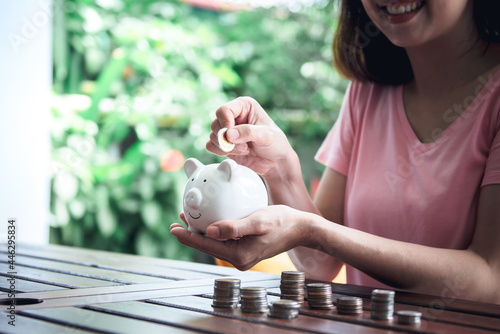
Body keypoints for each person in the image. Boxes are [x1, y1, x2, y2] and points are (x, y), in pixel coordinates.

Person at [171, 0, 500, 304]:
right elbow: (321, 264)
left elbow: (488, 280)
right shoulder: (367, 93)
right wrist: (279, 170)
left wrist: (312, 230)